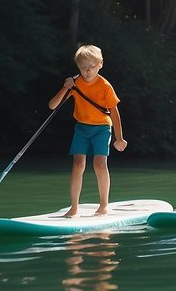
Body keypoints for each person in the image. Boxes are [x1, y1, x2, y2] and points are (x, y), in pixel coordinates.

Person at [48, 44, 127, 217]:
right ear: (78, 68)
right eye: (83, 67)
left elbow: (114, 112)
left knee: (99, 164)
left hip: (102, 128)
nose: (87, 71)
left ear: (100, 64)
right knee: (78, 164)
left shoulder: (105, 86)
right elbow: (52, 105)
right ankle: (74, 207)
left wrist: (119, 138)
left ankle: (103, 205)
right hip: (82, 128)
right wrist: (66, 87)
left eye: (92, 66)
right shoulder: (75, 84)